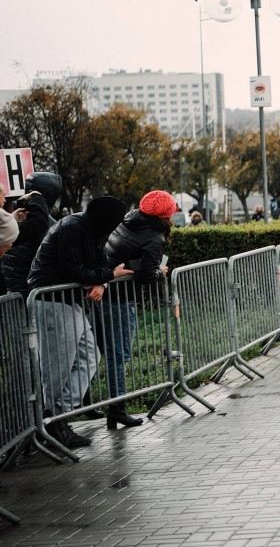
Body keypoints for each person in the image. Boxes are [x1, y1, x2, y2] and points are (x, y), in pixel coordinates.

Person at [28, 196, 133, 448]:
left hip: (67, 301)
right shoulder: (73, 228)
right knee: (58, 368)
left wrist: (100, 279)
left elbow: (97, 264)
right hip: (52, 301)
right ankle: (51, 421)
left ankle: (58, 415)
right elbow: (72, 270)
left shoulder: (93, 230)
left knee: (89, 357)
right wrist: (107, 275)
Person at [100, 190, 175, 430]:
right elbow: (145, 276)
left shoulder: (129, 220)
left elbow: (124, 255)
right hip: (120, 300)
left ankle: (109, 406)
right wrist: (158, 272)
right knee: (118, 355)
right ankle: (117, 408)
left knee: (108, 353)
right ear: (166, 216)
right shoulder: (154, 238)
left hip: (104, 293)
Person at [2, 172, 61, 298]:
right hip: (32, 296)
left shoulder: (12, 223)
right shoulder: (51, 228)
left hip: (13, 294)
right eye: (1, 197)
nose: (3, 200)